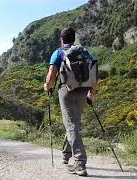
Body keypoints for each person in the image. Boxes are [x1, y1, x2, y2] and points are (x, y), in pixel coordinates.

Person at [44, 27, 95, 176]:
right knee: (74, 123)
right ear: (74, 38)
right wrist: (92, 93)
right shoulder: (84, 52)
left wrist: (47, 86)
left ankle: (80, 163)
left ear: (62, 40)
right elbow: (94, 72)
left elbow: (52, 74)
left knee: (70, 123)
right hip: (83, 90)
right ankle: (66, 154)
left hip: (66, 90)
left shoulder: (59, 52)